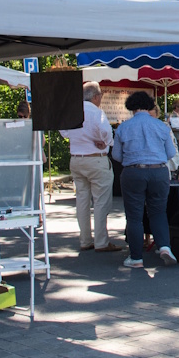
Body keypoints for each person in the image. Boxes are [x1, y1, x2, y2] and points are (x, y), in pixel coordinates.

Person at [112, 91, 178, 269]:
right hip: (159, 172)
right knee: (158, 212)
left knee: (134, 216)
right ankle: (164, 246)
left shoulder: (123, 128)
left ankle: (136, 258)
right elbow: (171, 153)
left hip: (133, 172)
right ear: (149, 106)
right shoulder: (162, 126)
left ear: (131, 107)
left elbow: (116, 155)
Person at [61, 82, 118, 252]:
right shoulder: (97, 112)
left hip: (76, 159)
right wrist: (106, 142)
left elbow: (64, 132)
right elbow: (106, 132)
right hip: (96, 159)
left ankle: (85, 240)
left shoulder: (73, 111)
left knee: (82, 200)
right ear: (95, 96)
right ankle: (101, 242)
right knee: (101, 201)